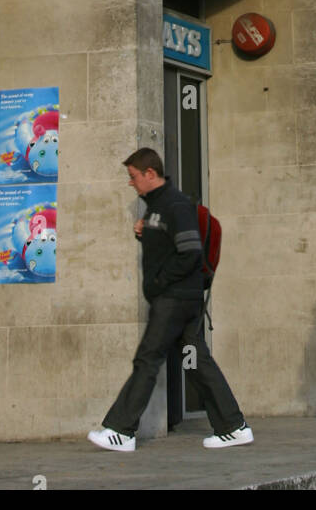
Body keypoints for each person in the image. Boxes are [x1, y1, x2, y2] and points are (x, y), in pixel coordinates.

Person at [87, 148, 254, 453]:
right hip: (183, 298)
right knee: (196, 359)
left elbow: (190, 252)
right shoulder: (158, 207)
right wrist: (144, 234)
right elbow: (168, 245)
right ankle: (233, 427)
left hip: (174, 299)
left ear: (150, 174)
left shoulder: (174, 204)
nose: (131, 183)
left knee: (148, 358)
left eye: (134, 177)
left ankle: (121, 430)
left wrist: (160, 282)